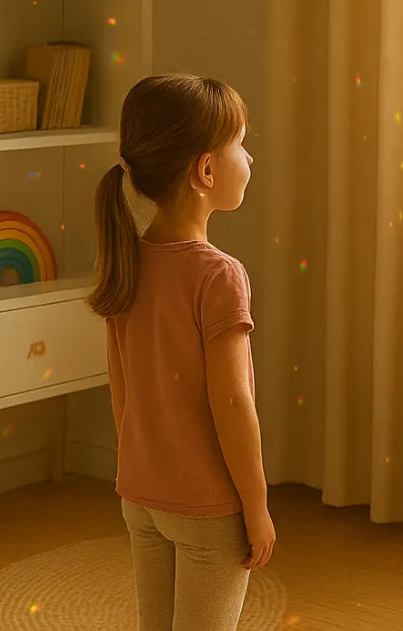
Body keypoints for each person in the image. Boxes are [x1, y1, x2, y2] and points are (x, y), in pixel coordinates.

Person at [89, 73, 269, 631]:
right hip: (206, 508)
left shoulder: (128, 259)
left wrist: (140, 467)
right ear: (206, 170)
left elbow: (122, 386)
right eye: (241, 144)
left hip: (141, 495)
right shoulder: (219, 275)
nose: (250, 159)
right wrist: (256, 508)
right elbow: (233, 404)